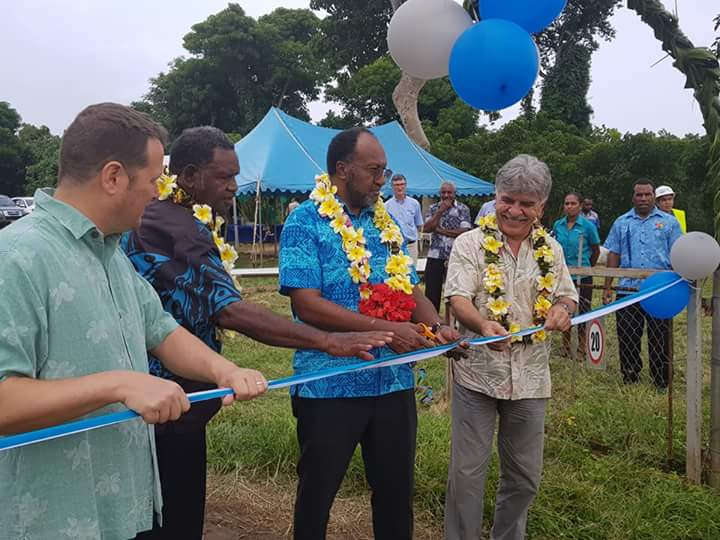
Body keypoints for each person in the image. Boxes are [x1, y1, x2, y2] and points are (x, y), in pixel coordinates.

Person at [0, 103, 267, 540]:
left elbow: (160, 330)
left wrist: (225, 369)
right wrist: (119, 385)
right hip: (50, 517)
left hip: (125, 506)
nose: (159, 192)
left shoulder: (111, 253)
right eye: (152, 181)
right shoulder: (17, 258)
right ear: (113, 177)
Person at [122, 126, 393, 539]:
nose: (234, 186)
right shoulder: (171, 226)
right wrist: (325, 340)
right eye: (223, 177)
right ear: (190, 176)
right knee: (168, 523)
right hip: (161, 411)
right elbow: (228, 310)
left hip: (172, 406)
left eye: (235, 175)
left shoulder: (181, 217)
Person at [279, 127, 461, 540]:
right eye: (374, 170)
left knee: (396, 495)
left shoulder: (388, 223)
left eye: (384, 170)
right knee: (317, 496)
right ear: (342, 170)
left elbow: (409, 289)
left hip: (393, 381)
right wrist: (387, 331)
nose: (382, 179)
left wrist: (435, 328)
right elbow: (305, 304)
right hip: (330, 386)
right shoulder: (305, 223)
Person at [444, 154, 577, 540]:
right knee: (467, 475)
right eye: (508, 200)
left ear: (541, 207)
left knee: (524, 477)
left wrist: (561, 309)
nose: (515, 211)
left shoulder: (551, 250)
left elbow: (568, 297)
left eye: (526, 203)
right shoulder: (470, 243)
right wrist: (482, 324)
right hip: (477, 375)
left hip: (532, 379)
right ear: (496, 196)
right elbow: (457, 297)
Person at [603, 179, 682, 388]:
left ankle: (661, 379)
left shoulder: (669, 222)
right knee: (627, 335)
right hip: (627, 289)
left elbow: (677, 254)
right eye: (639, 194)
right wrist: (608, 285)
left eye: (647, 194)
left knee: (660, 337)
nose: (643, 198)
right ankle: (630, 375)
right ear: (633, 197)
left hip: (659, 289)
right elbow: (614, 253)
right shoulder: (621, 222)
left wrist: (678, 283)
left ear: (653, 196)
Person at [552, 192, 600, 358]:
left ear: (580, 206)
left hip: (583, 273)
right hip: (564, 275)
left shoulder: (588, 226)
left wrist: (587, 267)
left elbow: (595, 249)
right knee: (565, 309)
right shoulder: (558, 225)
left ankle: (581, 347)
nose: (569, 207)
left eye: (573, 203)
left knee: (584, 310)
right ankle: (565, 346)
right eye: (567, 203)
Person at [423, 181, 472, 312]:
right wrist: (440, 211)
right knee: (432, 292)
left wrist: (440, 230)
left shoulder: (463, 209)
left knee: (455, 292)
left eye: (449, 192)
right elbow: (427, 228)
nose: (446, 195)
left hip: (455, 255)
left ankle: (454, 322)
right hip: (435, 255)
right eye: (443, 192)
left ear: (454, 194)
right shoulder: (433, 208)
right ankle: (432, 322)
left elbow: (465, 231)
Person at [384, 174, 423, 264]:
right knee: (395, 274)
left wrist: (418, 240)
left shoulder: (414, 204)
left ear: (406, 185)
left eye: (402, 184)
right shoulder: (386, 206)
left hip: (411, 246)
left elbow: (419, 225)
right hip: (395, 247)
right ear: (392, 187)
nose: (400, 188)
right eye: (397, 185)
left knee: (411, 273)